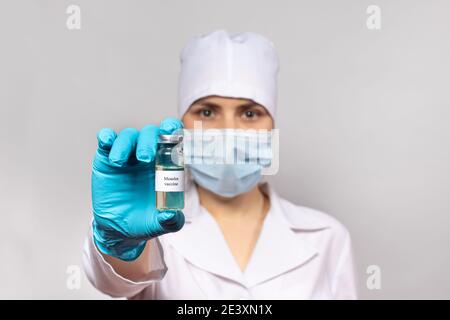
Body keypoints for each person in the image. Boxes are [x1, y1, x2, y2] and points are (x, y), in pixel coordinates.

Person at [83, 29, 358, 299]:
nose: (228, 131)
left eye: (250, 113)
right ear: (182, 124)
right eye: (207, 112)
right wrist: (120, 246)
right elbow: (116, 283)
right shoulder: (152, 229)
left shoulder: (327, 237)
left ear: (272, 125)